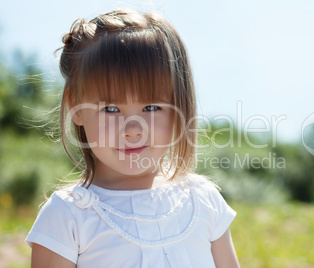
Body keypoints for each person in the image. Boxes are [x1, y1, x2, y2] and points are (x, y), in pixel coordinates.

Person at [26, 8, 239, 268]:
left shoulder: (202, 201)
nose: (133, 130)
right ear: (75, 106)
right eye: (111, 109)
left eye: (151, 108)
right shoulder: (67, 217)